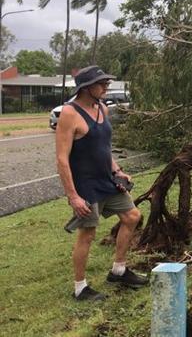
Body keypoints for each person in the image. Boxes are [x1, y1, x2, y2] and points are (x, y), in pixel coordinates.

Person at [55, 65, 147, 301]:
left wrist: (118, 170)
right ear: (86, 88)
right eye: (102, 83)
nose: (106, 87)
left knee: (132, 217)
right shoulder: (69, 113)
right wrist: (73, 196)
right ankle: (80, 288)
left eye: (107, 83)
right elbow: (62, 159)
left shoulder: (102, 109)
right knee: (87, 234)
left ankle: (119, 270)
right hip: (85, 186)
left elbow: (103, 148)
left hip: (107, 180)